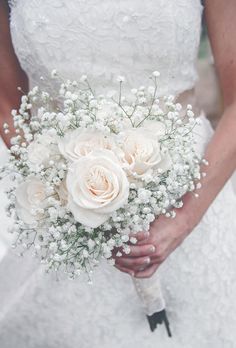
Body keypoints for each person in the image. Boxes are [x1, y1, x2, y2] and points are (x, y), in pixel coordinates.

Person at [0, 1, 236, 347]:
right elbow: (7, 102)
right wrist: (65, 198)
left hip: (193, 193)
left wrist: (183, 219)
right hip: (62, 215)